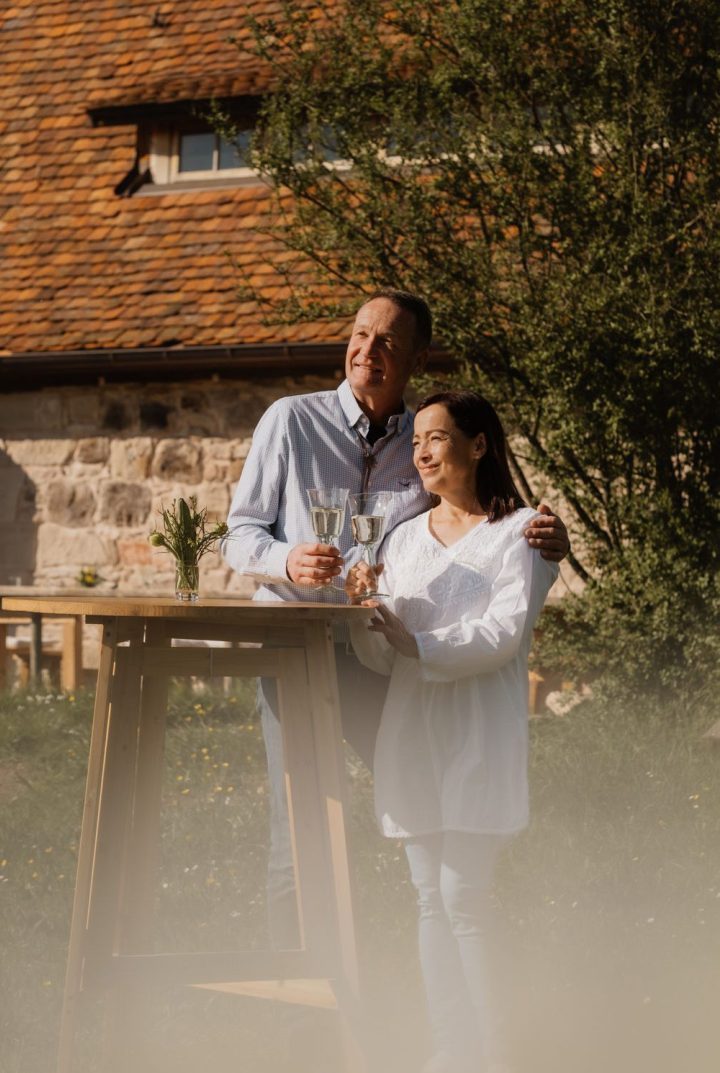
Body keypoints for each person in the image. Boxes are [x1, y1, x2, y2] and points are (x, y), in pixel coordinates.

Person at [223, 287, 569, 948]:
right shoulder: (290, 421)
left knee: (435, 805)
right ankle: (303, 1020)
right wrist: (289, 558)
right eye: (359, 334)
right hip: (294, 653)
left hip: (381, 656)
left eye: (386, 341)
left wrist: (550, 545)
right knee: (300, 833)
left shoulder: (426, 438)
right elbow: (239, 535)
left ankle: (461, 960)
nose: (367, 350)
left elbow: (484, 519)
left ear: (415, 358)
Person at [345, 389, 558, 1073]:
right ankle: (449, 1050)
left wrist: (418, 643)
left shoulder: (517, 532)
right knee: (429, 899)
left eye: (437, 437)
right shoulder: (403, 539)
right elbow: (383, 655)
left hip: (478, 734)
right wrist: (366, 617)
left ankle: (495, 1055)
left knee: (465, 895)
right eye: (417, 442)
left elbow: (501, 635)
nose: (423, 450)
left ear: (478, 445)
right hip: (412, 733)